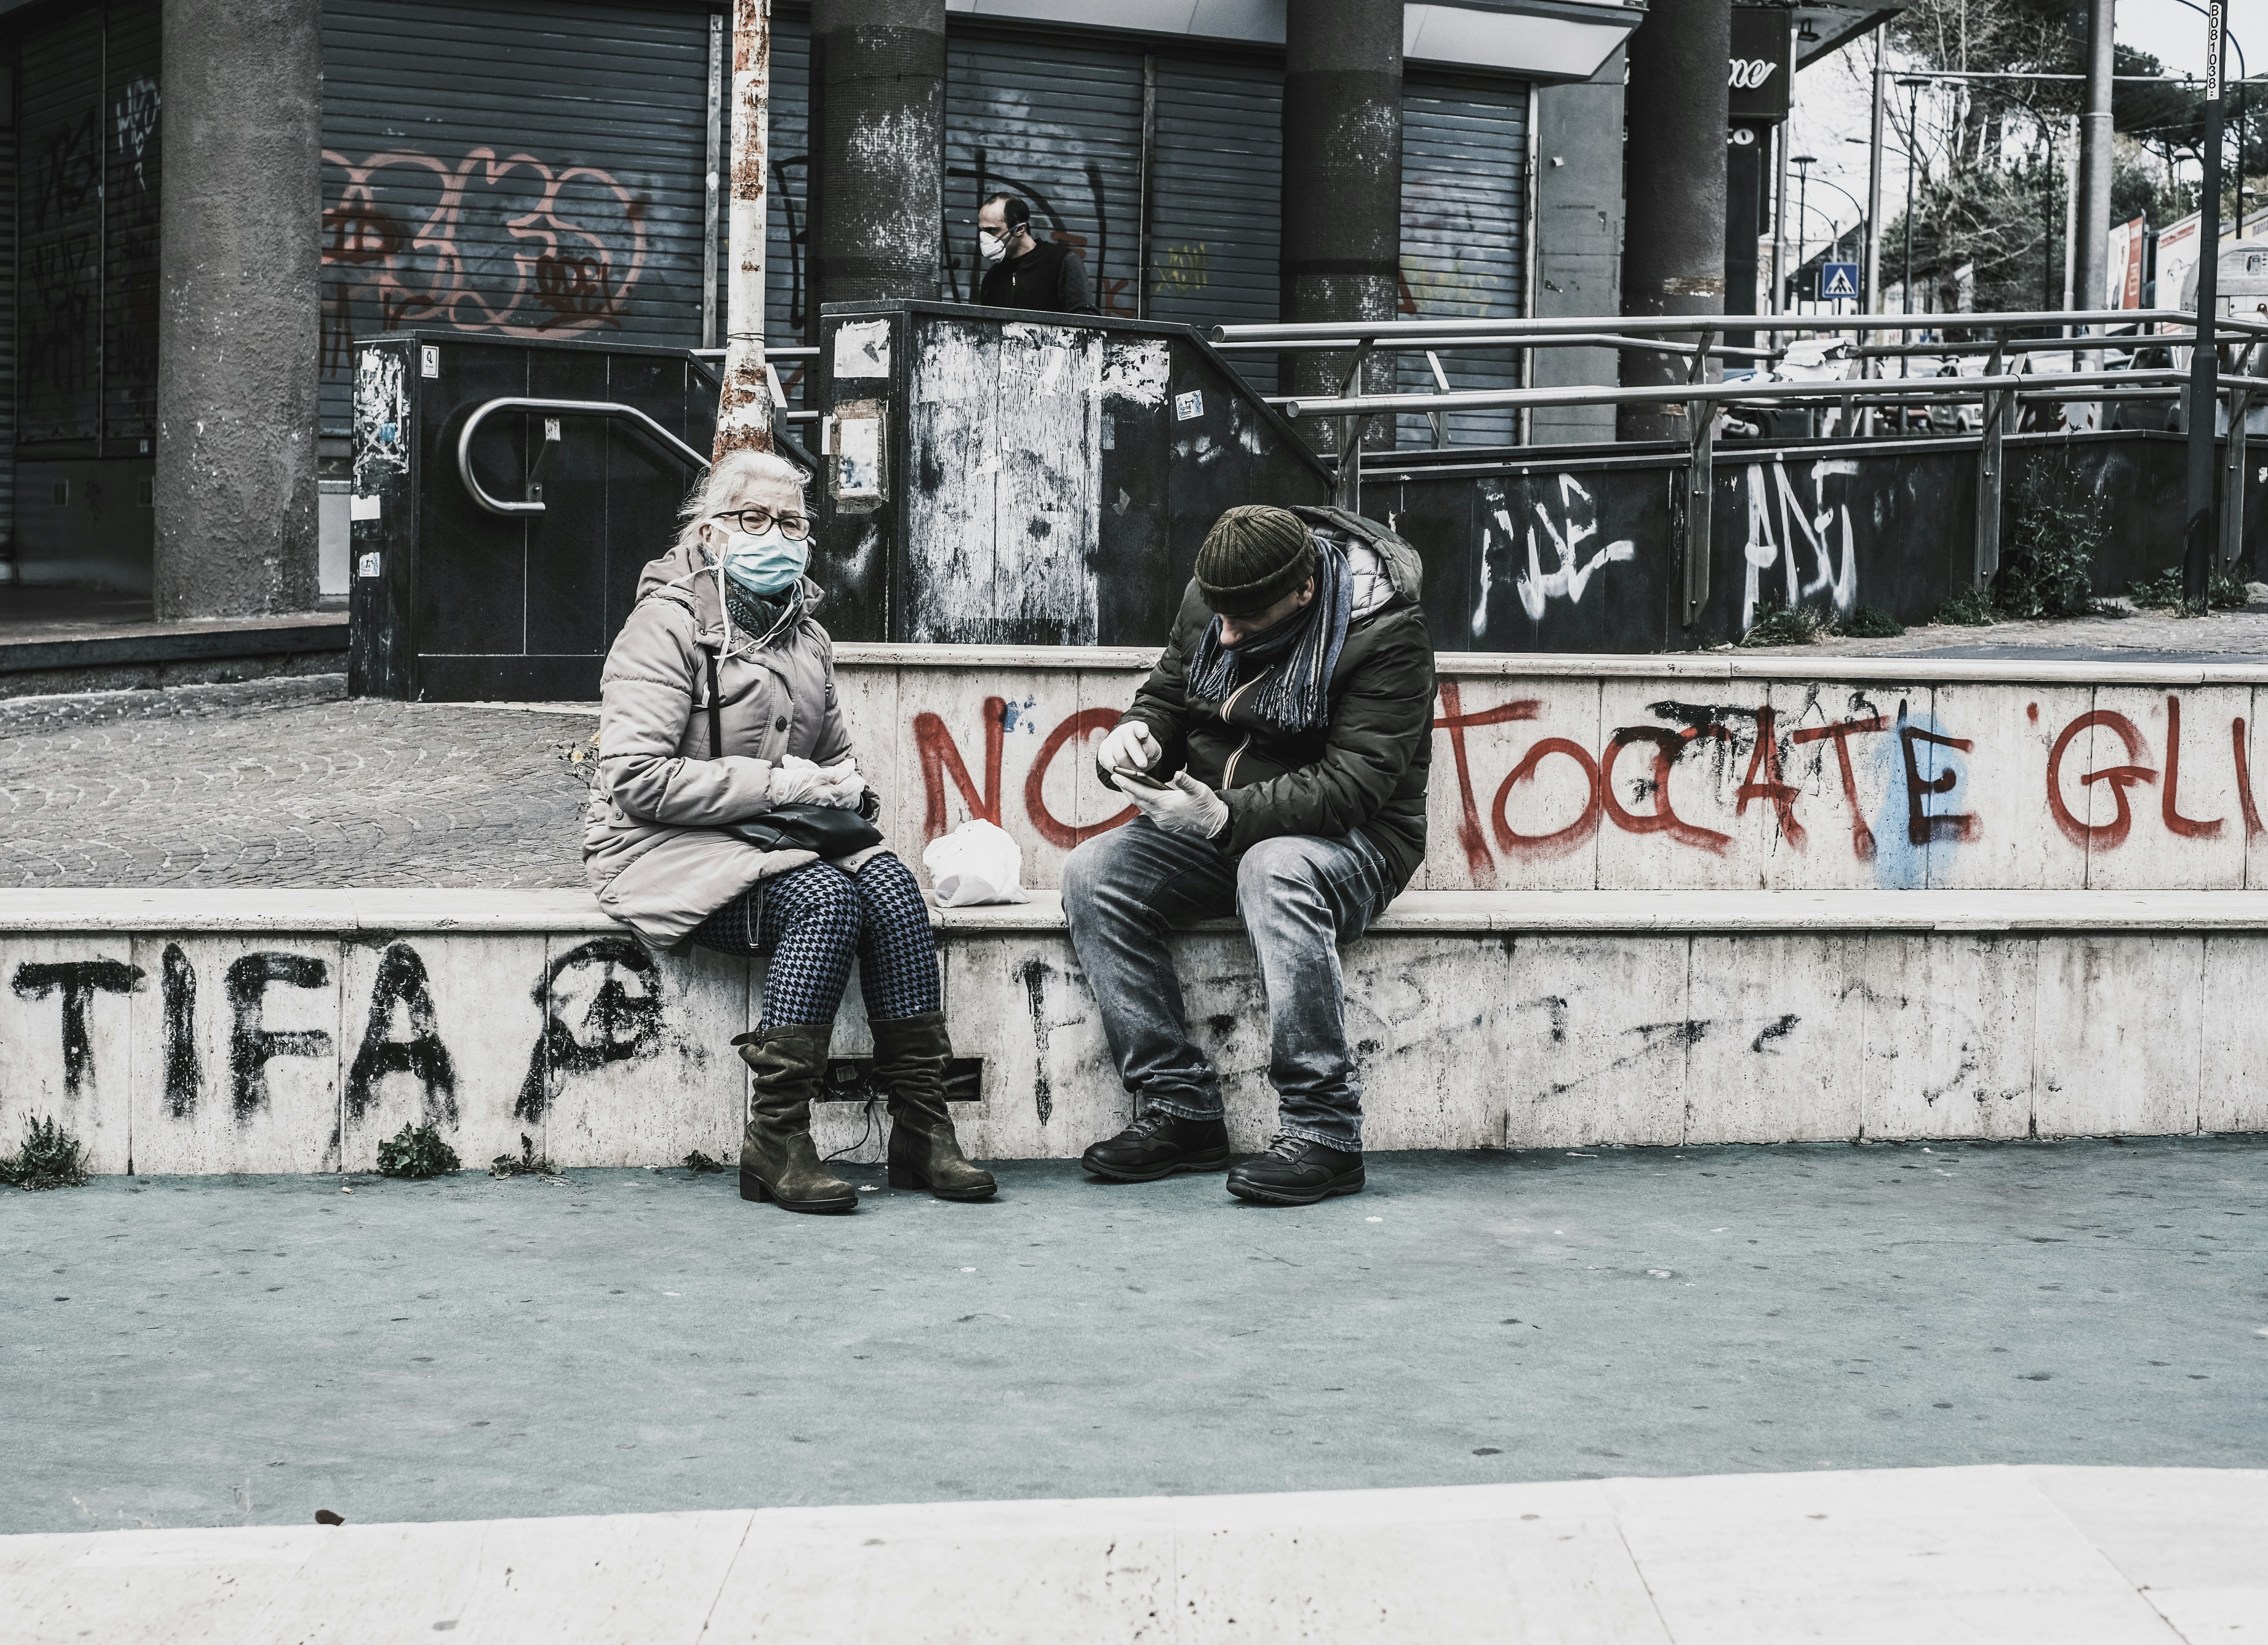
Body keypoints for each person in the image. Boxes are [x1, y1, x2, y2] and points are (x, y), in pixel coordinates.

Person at [583, 448, 994, 1214]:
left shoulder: (807, 635)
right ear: (710, 532)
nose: (774, 533)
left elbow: (833, 757)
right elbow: (634, 780)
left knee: (889, 883)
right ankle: (777, 1137)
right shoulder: (665, 627)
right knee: (823, 900)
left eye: (791, 522)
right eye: (753, 518)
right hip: (659, 850)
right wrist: (779, 785)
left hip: (769, 840)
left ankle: (922, 1128)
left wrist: (849, 790)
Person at [1062, 504, 1436, 1206]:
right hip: (1219, 819)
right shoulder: (1218, 594)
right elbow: (1170, 697)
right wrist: (1137, 735)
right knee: (1094, 872)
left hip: (1354, 841)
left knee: (1276, 868)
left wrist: (1220, 817)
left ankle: (1325, 1132)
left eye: (1246, 624)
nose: (1225, 636)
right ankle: (1181, 1110)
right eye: (1219, 618)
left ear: (1303, 592)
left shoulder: (1388, 634)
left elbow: (1353, 787)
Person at [976, 192, 1098, 314]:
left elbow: (1086, 321)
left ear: (1019, 229)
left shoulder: (1060, 262)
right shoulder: (992, 278)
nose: (985, 238)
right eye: (982, 231)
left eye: (992, 231)